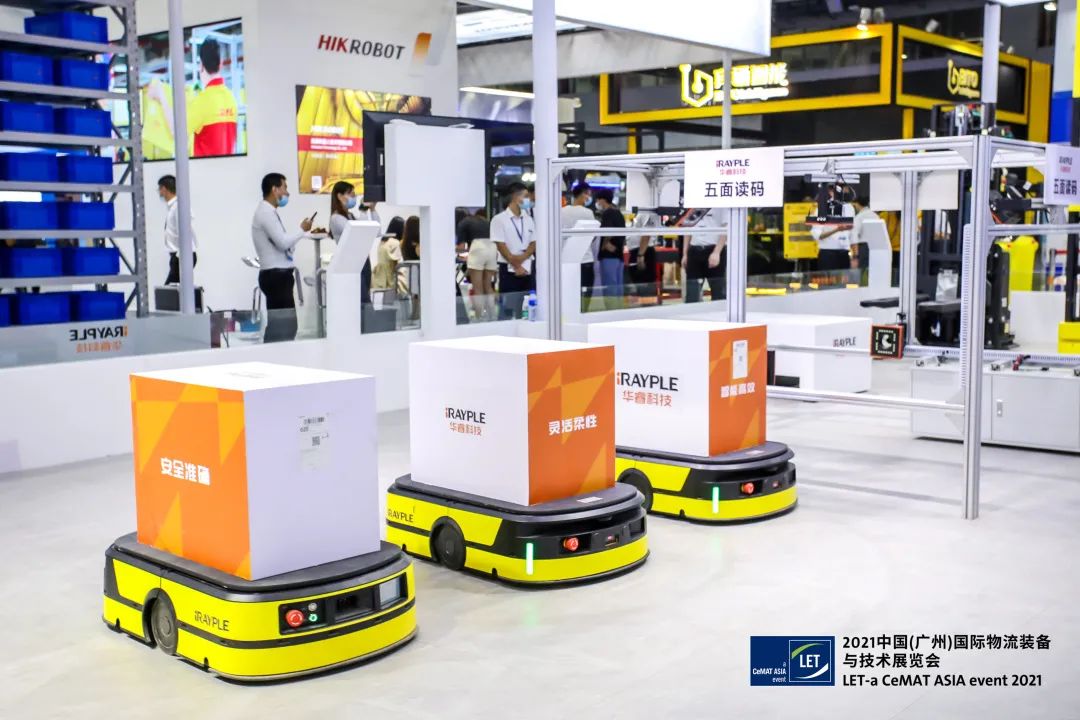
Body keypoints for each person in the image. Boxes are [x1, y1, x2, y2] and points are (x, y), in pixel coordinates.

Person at [252, 173, 311, 342]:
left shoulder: (269, 212)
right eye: (285, 187)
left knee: (284, 326)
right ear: (274, 189)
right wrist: (302, 230)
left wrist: (297, 237)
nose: (287, 193)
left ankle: (276, 354)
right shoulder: (266, 213)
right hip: (275, 276)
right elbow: (283, 242)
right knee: (283, 327)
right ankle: (273, 355)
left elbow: (282, 243)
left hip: (278, 275)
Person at [491, 182, 536, 319]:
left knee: (527, 306)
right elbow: (500, 244)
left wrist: (522, 259)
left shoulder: (529, 219)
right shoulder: (499, 219)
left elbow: (533, 242)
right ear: (516, 197)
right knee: (508, 307)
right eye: (526, 196)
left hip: (528, 267)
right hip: (508, 269)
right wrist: (516, 264)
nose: (529, 199)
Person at [329, 180, 371, 305]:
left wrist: (371, 210)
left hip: (363, 261)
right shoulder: (336, 218)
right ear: (340, 196)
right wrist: (363, 210)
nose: (354, 197)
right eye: (350, 194)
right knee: (362, 301)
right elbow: (356, 234)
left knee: (365, 299)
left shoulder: (351, 216)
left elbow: (371, 230)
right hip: (351, 263)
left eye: (354, 194)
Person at [560, 182, 596, 311]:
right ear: (583, 194)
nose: (589, 198)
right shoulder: (588, 213)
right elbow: (593, 236)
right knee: (584, 297)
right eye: (588, 195)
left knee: (568, 294)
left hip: (566, 259)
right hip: (585, 259)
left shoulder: (561, 211)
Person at [681, 207, 728, 303]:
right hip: (694, 249)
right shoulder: (693, 204)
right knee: (692, 293)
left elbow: (726, 228)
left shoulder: (721, 205)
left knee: (718, 292)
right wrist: (685, 253)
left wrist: (717, 252)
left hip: (714, 249)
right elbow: (688, 227)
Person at [157, 175, 197, 285]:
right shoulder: (174, 207)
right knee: (175, 290)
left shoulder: (179, 207)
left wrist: (180, 257)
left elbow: (184, 231)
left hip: (182, 256)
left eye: (159, 189)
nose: (159, 192)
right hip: (179, 256)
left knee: (169, 291)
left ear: (164, 188)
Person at [460, 208, 495, 321]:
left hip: (477, 247)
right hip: (492, 247)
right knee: (488, 286)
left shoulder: (464, 222)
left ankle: (479, 317)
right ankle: (492, 316)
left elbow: (461, 247)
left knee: (477, 287)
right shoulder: (486, 222)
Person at [594, 188, 626, 310]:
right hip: (619, 256)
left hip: (609, 256)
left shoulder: (608, 213)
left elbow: (608, 231)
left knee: (609, 287)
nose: (598, 203)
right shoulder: (618, 213)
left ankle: (611, 312)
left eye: (598, 200)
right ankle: (618, 311)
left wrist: (604, 245)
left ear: (603, 200)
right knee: (618, 287)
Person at [811, 186, 854, 273]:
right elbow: (817, 235)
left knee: (844, 280)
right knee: (828, 280)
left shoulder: (849, 208)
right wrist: (836, 230)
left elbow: (852, 232)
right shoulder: (822, 208)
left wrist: (855, 255)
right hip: (827, 253)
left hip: (844, 252)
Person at [849, 195, 879, 284]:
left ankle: (858, 290)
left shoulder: (859, 217)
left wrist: (855, 256)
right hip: (875, 247)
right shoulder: (875, 215)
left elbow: (854, 235)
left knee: (859, 273)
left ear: (857, 204)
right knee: (873, 273)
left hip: (863, 248)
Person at [372, 216, 403, 292]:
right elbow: (398, 264)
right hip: (390, 281)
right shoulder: (395, 243)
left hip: (378, 279)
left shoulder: (382, 242)